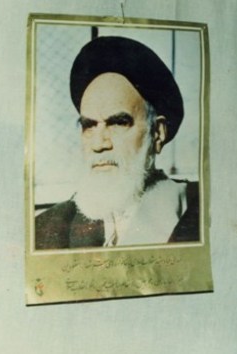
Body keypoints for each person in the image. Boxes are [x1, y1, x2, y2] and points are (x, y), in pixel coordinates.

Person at [35, 36, 200, 249]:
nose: (99, 144)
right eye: (89, 126)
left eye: (118, 123)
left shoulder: (198, 214)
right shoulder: (47, 229)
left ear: (157, 133)